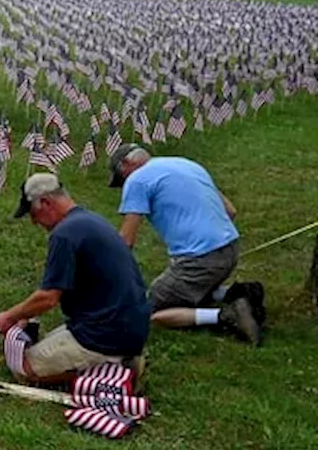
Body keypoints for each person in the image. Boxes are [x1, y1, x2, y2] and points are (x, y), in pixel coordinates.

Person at [0, 173, 151, 384]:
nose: (33, 222)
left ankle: (116, 366)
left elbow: (48, 297)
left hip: (103, 333)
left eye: (33, 214)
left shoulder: (64, 234)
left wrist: (9, 317)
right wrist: (25, 315)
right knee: (42, 345)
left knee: (23, 367)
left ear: (46, 203)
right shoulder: (90, 220)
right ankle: (121, 356)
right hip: (126, 327)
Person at [109, 144, 263, 345]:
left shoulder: (137, 180)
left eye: (121, 180)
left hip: (200, 261)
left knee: (148, 310)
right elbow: (231, 211)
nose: (124, 186)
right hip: (231, 250)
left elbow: (126, 240)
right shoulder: (187, 164)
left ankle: (225, 315)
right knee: (187, 290)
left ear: (126, 165)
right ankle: (239, 294)